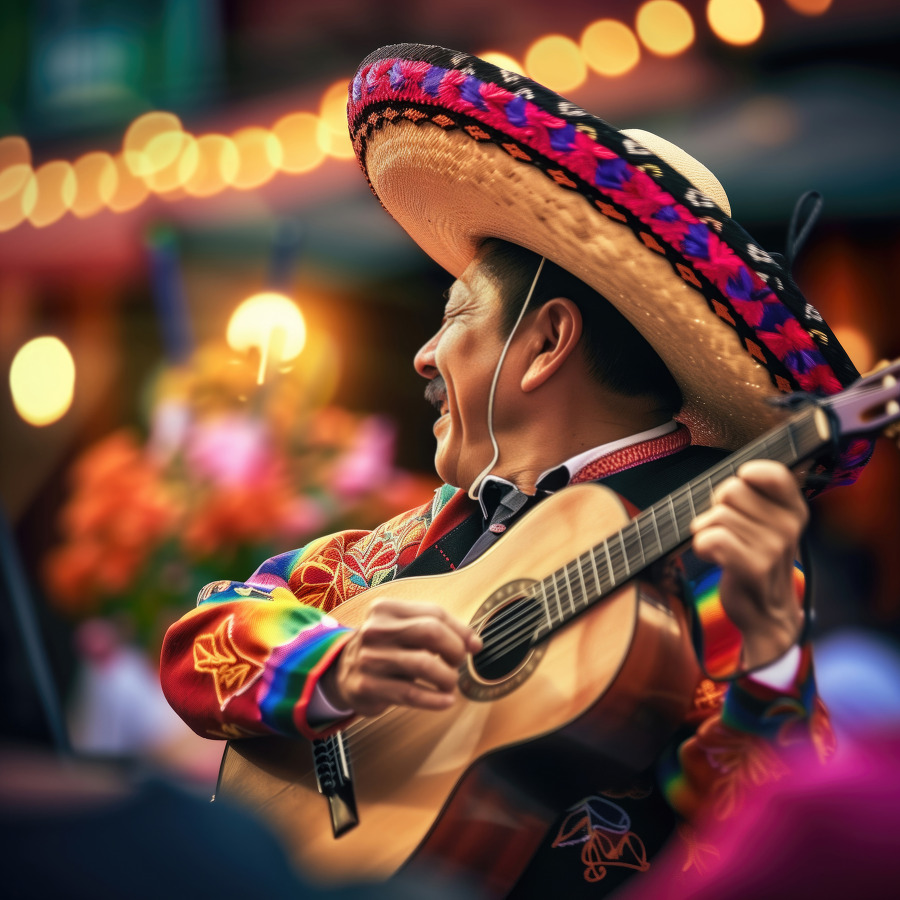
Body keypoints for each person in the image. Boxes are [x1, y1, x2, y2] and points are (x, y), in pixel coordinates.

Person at [160, 43, 871, 898]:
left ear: (545, 344)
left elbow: (777, 827)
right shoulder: (423, 535)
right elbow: (207, 637)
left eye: (455, 314)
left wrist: (769, 654)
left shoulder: (718, 543)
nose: (423, 355)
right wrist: (331, 668)